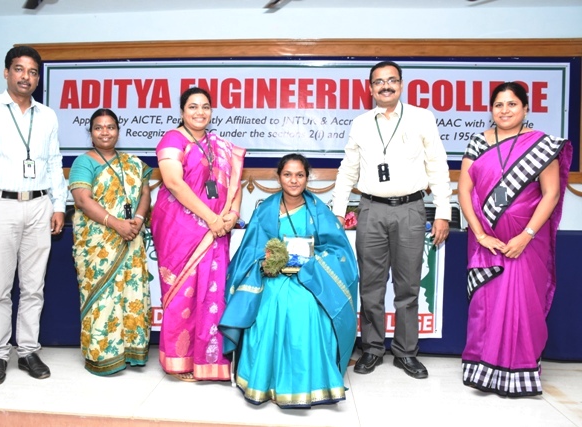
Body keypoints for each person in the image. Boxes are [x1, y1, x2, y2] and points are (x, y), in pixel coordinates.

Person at [331, 60, 452, 379]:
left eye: (392, 80)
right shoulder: (361, 123)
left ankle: (406, 352)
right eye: (379, 82)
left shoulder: (422, 118)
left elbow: (437, 165)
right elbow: (348, 169)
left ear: (401, 84)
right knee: (370, 285)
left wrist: (443, 211)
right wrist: (338, 211)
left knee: (408, 286)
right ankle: (371, 349)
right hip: (371, 209)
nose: (386, 86)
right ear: (370, 88)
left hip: (411, 209)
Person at [0, 46, 67, 385]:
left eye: (32, 72)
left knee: (34, 286)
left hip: (39, 205)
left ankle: (28, 351)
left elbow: (53, 162)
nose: (25, 77)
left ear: (38, 78)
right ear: (6, 72)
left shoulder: (46, 115)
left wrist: (58, 205)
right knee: (0, 287)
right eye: (19, 69)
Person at [458, 82, 571, 397]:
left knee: (523, 303)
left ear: (525, 108)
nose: (504, 110)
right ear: (490, 110)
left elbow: (551, 194)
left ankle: (519, 371)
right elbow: (464, 190)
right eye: (498, 105)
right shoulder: (478, 142)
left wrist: (526, 235)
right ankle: (483, 369)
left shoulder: (541, 145)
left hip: (527, 243)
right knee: (486, 303)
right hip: (486, 242)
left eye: (512, 104)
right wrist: (480, 234)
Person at [219, 153, 358, 409]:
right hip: (272, 277)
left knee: (305, 305)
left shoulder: (319, 212)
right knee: (272, 303)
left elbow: (339, 252)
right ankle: (265, 381)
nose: (294, 180)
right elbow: (249, 251)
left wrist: (313, 263)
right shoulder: (265, 211)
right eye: (288, 174)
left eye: (299, 175)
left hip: (311, 278)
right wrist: (265, 262)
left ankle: (310, 383)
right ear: (279, 177)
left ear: (307, 178)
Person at [151, 87, 245, 382]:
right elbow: (174, 183)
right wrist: (212, 219)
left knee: (210, 296)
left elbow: (235, 183)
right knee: (183, 296)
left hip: (216, 231)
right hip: (180, 231)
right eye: (193, 107)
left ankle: (209, 361)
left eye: (205, 107)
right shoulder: (173, 140)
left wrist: (231, 216)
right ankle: (180, 361)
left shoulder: (218, 145)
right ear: (182, 111)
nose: (200, 112)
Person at [69, 108, 153, 376]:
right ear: (91, 132)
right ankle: (103, 356)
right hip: (98, 243)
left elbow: (145, 193)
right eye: (98, 127)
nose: (105, 132)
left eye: (110, 127)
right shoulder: (84, 162)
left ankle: (131, 351)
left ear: (118, 130)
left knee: (132, 294)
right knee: (103, 297)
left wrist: (138, 219)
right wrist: (116, 224)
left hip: (131, 237)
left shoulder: (133, 162)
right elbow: (83, 200)